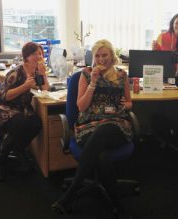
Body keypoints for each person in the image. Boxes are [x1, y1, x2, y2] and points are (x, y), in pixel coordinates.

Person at [51, 39, 133, 217]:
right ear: (93, 57)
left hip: (116, 124)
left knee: (103, 131)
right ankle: (119, 206)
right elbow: (81, 107)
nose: (101, 59)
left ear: (112, 56)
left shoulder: (121, 75)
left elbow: (129, 102)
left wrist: (125, 105)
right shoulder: (86, 74)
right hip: (88, 124)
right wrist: (93, 83)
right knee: (101, 155)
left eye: (105, 55)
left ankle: (70, 194)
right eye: (98, 55)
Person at [0, 42, 49, 180]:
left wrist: (43, 74)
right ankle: (2, 159)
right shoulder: (16, 72)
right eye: (34, 54)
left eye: (40, 54)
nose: (38, 57)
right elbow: (4, 96)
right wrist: (25, 86)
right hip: (0, 107)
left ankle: (17, 150)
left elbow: (45, 91)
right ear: (26, 57)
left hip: (20, 108)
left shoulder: (38, 71)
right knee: (19, 120)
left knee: (36, 122)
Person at [153, 13, 178, 88]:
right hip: (164, 74)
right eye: (177, 23)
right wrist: (154, 49)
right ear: (172, 24)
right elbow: (156, 57)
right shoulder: (162, 36)